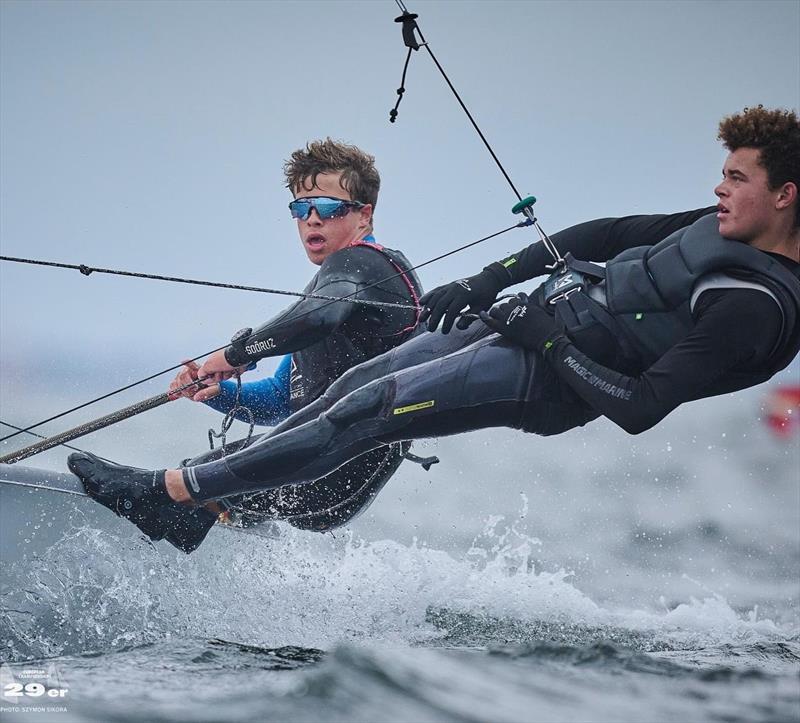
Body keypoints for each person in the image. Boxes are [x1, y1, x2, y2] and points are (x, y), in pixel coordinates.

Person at [69, 106, 800, 545]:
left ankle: (172, 493)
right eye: (299, 209)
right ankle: (198, 502)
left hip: (545, 374)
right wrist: (491, 282)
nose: (718, 186)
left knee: (367, 406)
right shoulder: (716, 228)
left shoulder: (754, 308)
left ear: (787, 194)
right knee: (360, 382)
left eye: (737, 177)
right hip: (517, 323)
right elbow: (602, 230)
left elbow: (640, 408)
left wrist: (542, 332)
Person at [82, 139, 425, 552]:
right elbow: (285, 399)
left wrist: (235, 355)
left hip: (334, 467)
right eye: (301, 208)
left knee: (186, 482)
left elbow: (316, 319)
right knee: (197, 481)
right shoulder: (336, 284)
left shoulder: (366, 265)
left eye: (329, 207)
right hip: (316, 471)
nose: (312, 220)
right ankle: (174, 557)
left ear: (364, 214)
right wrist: (221, 393)